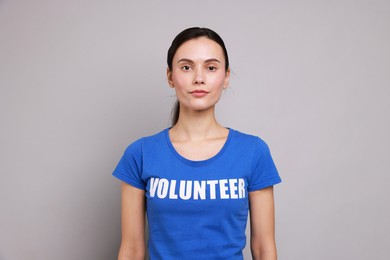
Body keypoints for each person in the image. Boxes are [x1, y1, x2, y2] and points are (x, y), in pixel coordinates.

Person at [112, 27, 282, 260]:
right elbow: (131, 250)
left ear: (226, 77)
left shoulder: (253, 152)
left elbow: (264, 249)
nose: (199, 78)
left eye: (211, 68)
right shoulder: (140, 154)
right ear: (170, 76)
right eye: (186, 67)